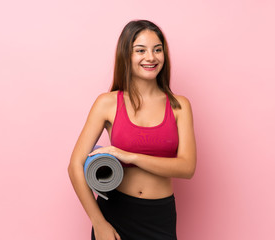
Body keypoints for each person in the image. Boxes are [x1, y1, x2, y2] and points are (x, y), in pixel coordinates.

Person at [68, 20, 196, 240]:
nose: (151, 57)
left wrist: (130, 157)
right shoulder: (107, 103)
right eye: (140, 50)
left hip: (159, 217)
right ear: (126, 55)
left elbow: (187, 168)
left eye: (157, 50)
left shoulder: (179, 106)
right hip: (115, 215)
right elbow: (75, 166)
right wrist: (99, 224)